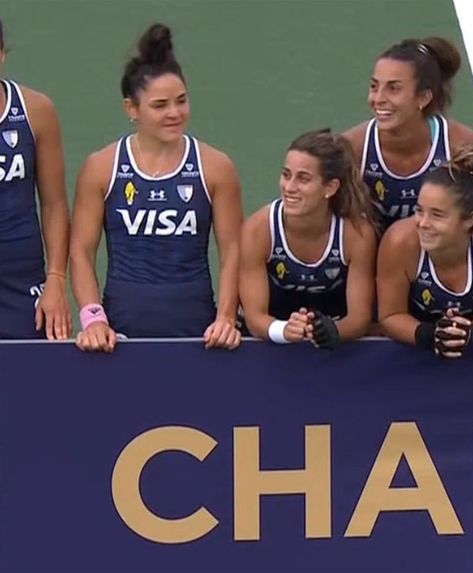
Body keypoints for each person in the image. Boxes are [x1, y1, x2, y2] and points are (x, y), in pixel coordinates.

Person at [70, 23, 244, 352]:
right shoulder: (102, 167)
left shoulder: (216, 167)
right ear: (131, 109)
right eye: (160, 105)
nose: (175, 113)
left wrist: (226, 318)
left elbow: (234, 250)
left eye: (181, 101)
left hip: (198, 332)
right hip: (119, 336)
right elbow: (80, 251)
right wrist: (94, 320)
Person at [344, 37, 473, 237]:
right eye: (374, 86)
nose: (378, 99)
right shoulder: (353, 147)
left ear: (424, 98)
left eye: (394, 88)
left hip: (438, 249)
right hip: (376, 252)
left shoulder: (459, 144)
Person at [239, 129, 377, 349]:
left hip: (335, 350)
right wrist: (282, 330)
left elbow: (359, 318)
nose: (289, 187)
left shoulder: (357, 234)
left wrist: (332, 331)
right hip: (273, 349)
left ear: (330, 188)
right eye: (286, 174)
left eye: (303, 178)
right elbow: (255, 318)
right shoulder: (258, 230)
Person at [377, 146, 473, 358]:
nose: (423, 223)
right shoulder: (399, 242)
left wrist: (469, 334)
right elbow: (390, 315)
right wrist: (428, 335)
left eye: (437, 215)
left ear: (469, 219)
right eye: (419, 210)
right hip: (415, 346)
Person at [0, 19, 71, 340]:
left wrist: (55, 279)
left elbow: (54, 204)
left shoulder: (35, 110)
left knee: (31, 385)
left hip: (21, 278)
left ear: (2, 54)